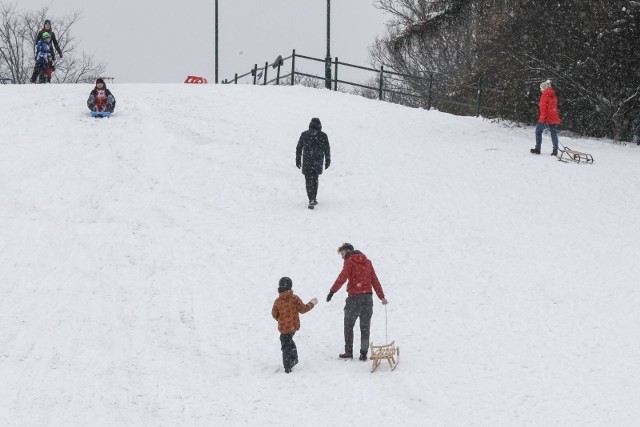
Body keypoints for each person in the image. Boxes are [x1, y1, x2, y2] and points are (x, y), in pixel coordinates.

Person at [326, 243, 388, 361]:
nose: (342, 256)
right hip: (367, 299)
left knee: (348, 325)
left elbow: (342, 277)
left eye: (342, 253)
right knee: (365, 327)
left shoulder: (349, 261)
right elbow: (374, 280)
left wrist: (332, 291)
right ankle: (363, 353)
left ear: (348, 251)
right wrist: (381, 296)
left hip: (354, 298)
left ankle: (349, 351)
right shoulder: (367, 262)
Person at [271, 277, 318, 373]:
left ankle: (288, 365)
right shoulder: (294, 298)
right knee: (289, 343)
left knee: (286, 346)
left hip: (283, 328)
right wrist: (311, 303)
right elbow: (303, 309)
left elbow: (274, 314)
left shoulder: (278, 301)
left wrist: (281, 320)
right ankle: (292, 360)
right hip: (293, 327)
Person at [295, 117, 331, 210]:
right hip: (317, 161)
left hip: (307, 160)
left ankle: (310, 198)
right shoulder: (323, 135)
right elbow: (327, 149)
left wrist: (298, 159)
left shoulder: (304, 134)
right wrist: (328, 160)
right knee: (315, 179)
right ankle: (313, 198)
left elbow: (299, 148)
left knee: (308, 180)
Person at [531, 79, 561, 156]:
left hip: (545, 116)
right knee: (553, 133)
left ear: (544, 88)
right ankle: (555, 150)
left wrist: (542, 119)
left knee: (538, 131)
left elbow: (543, 108)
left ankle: (537, 148)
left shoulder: (544, 95)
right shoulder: (553, 95)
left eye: (541, 88)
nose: (540, 90)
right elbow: (552, 107)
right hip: (553, 115)